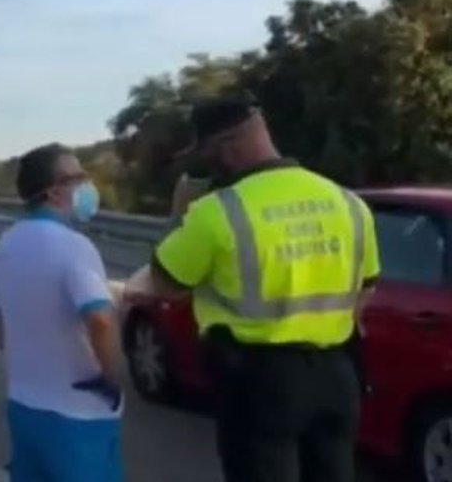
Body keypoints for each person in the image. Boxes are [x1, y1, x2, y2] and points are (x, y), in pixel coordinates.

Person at [126, 94, 379, 482]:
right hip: (338, 377)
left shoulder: (217, 212)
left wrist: (178, 215)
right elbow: (366, 289)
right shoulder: (347, 202)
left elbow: (165, 284)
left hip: (260, 381)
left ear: (226, 147)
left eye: (208, 154)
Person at [0, 143, 125, 482]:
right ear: (55, 191)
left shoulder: (9, 241)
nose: (87, 185)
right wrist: (111, 375)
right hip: (79, 415)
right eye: (79, 177)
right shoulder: (75, 247)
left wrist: (18, 350)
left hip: (24, 406)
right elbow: (100, 320)